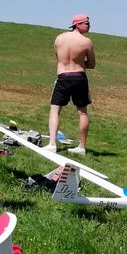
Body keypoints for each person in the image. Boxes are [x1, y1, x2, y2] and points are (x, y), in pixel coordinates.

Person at [46, 14, 95, 156]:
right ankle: (82, 147)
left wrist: (68, 63)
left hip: (63, 77)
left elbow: (59, 58)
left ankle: (52, 144)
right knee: (82, 112)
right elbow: (92, 64)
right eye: (87, 23)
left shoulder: (59, 38)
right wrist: (79, 62)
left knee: (55, 110)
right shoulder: (86, 42)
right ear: (77, 24)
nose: (89, 25)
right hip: (79, 78)